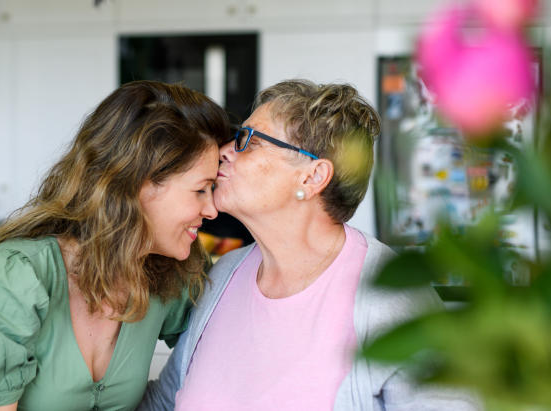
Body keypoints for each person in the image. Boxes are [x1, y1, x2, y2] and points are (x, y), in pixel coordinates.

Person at [139, 80, 480, 410]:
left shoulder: (388, 298)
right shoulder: (225, 276)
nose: (224, 152)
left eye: (247, 140)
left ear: (313, 176)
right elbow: (164, 403)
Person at [0, 80, 230, 411]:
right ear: (138, 185)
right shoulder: (17, 279)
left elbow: (228, 363)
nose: (211, 210)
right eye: (200, 190)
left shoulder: (174, 274)